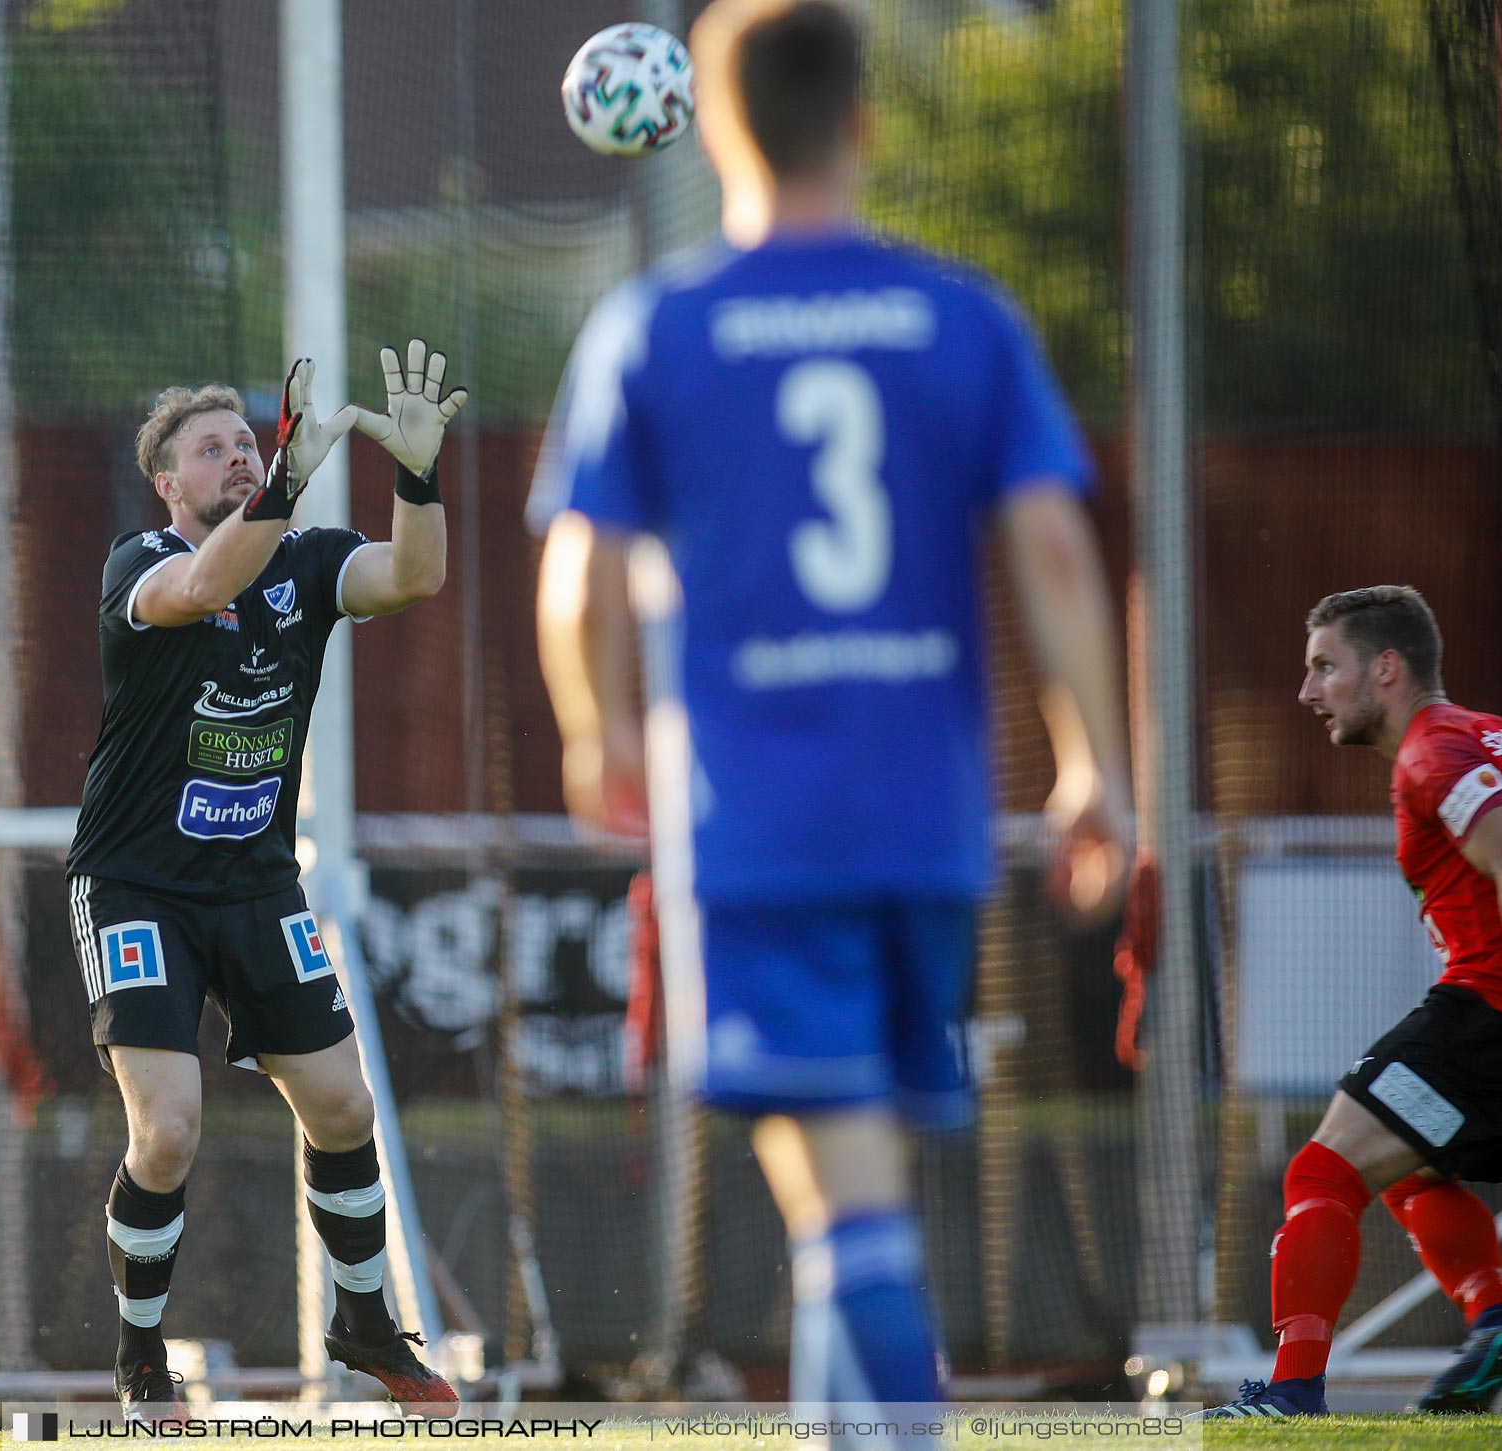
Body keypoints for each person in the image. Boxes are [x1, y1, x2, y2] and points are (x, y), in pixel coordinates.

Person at [531, 0, 1131, 1409]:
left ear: (709, 125)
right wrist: (1096, 760)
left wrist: (592, 725)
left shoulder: (657, 326)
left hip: (757, 817)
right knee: (855, 1177)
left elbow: (578, 579)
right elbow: (1053, 547)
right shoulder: (961, 314)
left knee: (842, 1183)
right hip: (926, 815)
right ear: (863, 123)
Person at [65, 342, 467, 1422]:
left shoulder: (303, 558)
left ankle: (364, 1320)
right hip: (137, 884)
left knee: (343, 1105)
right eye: (215, 449)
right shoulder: (139, 559)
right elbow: (207, 582)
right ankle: (142, 1353)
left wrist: (419, 474)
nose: (240, 458)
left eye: (249, 442)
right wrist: (286, 479)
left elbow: (414, 574)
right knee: (171, 1128)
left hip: (255, 885)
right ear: (169, 484)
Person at [1200, 585, 1502, 1419]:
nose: (1308, 690)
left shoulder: (1431, 748)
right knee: (1408, 1167)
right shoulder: (1481, 735)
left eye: (1325, 667)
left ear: (1388, 668)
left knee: (1322, 1168)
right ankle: (1494, 1322)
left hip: (1486, 1010)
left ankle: (1291, 1390)